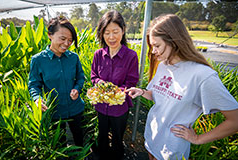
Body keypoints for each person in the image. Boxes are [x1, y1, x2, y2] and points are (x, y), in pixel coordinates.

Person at [127, 14, 238, 160]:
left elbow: (235, 120)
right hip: (152, 137)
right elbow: (159, 96)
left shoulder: (203, 76)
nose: (153, 51)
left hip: (172, 150)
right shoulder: (163, 66)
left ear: (173, 41)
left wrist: (198, 139)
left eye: (157, 45)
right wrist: (142, 92)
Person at [28, 16, 85, 148]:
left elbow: (80, 78)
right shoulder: (38, 60)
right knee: (59, 144)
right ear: (50, 35)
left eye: (70, 40)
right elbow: (34, 84)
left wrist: (77, 88)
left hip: (75, 107)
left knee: (79, 139)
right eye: (63, 39)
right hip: (54, 111)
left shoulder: (73, 58)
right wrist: (37, 99)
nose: (66, 44)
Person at [91, 10, 139, 160]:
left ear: (123, 30)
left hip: (119, 107)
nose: (111, 37)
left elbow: (131, 82)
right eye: (106, 33)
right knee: (102, 134)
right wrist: (101, 85)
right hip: (101, 105)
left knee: (118, 137)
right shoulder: (98, 54)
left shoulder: (131, 56)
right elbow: (94, 76)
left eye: (115, 32)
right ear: (102, 34)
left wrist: (113, 92)